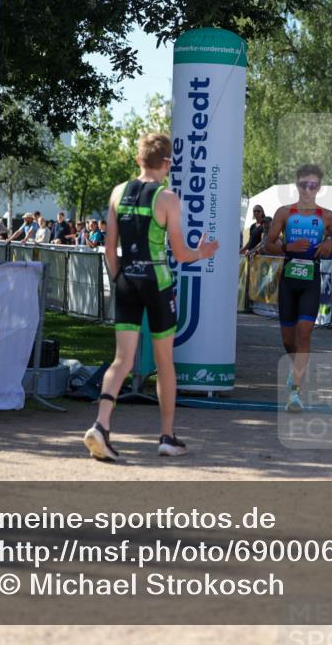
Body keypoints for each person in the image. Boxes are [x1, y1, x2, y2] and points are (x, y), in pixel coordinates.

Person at [83, 132, 219, 462]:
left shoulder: (118, 192)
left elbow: (109, 248)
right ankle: (167, 436)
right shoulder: (168, 198)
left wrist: (120, 278)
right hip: (157, 282)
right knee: (164, 363)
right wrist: (202, 253)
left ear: (138, 159)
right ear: (167, 163)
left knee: (122, 360)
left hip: (127, 280)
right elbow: (181, 254)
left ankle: (101, 424)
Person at [264, 163, 332, 413]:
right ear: (297, 185)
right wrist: (286, 247)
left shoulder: (327, 216)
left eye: (313, 185)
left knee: (305, 333)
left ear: (319, 187)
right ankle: (297, 367)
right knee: (288, 340)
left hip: (311, 280)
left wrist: (331, 243)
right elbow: (268, 244)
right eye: (303, 185)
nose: (308, 190)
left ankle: (295, 392)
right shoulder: (284, 213)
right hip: (289, 280)